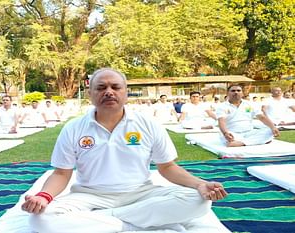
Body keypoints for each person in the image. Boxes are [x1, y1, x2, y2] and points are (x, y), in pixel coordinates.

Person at [21, 68, 227, 233]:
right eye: (101, 87)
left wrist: (201, 184)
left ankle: (106, 220)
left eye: (115, 87)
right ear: (90, 94)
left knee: (199, 202)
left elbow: (167, 167)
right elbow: (61, 173)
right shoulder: (74, 127)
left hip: (141, 193)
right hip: (89, 195)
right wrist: (44, 196)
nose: (109, 91)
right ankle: (130, 225)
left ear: (125, 92)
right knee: (41, 219)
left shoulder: (147, 123)